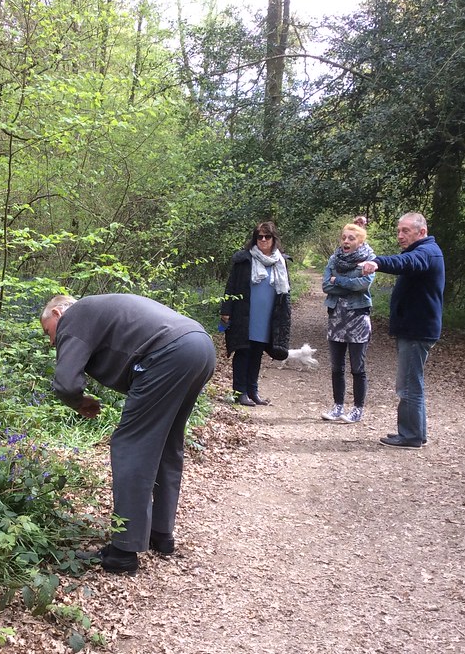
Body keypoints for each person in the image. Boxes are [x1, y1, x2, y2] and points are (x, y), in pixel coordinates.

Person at [40, 293, 216, 576]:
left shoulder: (74, 316)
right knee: (167, 443)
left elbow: (66, 383)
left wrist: (79, 402)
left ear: (58, 314)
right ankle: (160, 533)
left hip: (169, 353)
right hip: (200, 346)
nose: (51, 342)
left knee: (131, 445)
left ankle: (123, 550)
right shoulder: (98, 310)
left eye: (47, 332)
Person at [360, 212, 445, 448]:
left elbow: (406, 263)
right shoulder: (422, 251)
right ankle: (414, 433)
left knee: (408, 384)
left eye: (405, 231)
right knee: (410, 382)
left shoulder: (427, 253)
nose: (400, 236)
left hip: (417, 331)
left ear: (422, 232)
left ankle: (411, 436)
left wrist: (378, 262)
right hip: (413, 329)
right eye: (398, 230)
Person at [219, 221, 292, 406]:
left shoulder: (280, 261)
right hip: (245, 314)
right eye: (260, 236)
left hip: (267, 317)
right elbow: (231, 286)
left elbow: (285, 293)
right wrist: (226, 310)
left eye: (267, 236)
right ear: (255, 239)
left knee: (257, 353)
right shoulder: (244, 259)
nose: (263, 240)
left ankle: (253, 391)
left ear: (274, 239)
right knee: (243, 351)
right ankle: (239, 392)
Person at [321, 217, 375, 424]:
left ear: (360, 242)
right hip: (336, 318)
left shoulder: (369, 260)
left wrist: (339, 280)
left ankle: (357, 410)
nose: (346, 241)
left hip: (358, 318)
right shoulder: (334, 259)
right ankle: (337, 406)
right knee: (336, 367)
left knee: (357, 367)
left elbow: (362, 285)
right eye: (344, 237)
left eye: (351, 238)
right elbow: (326, 286)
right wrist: (345, 283)